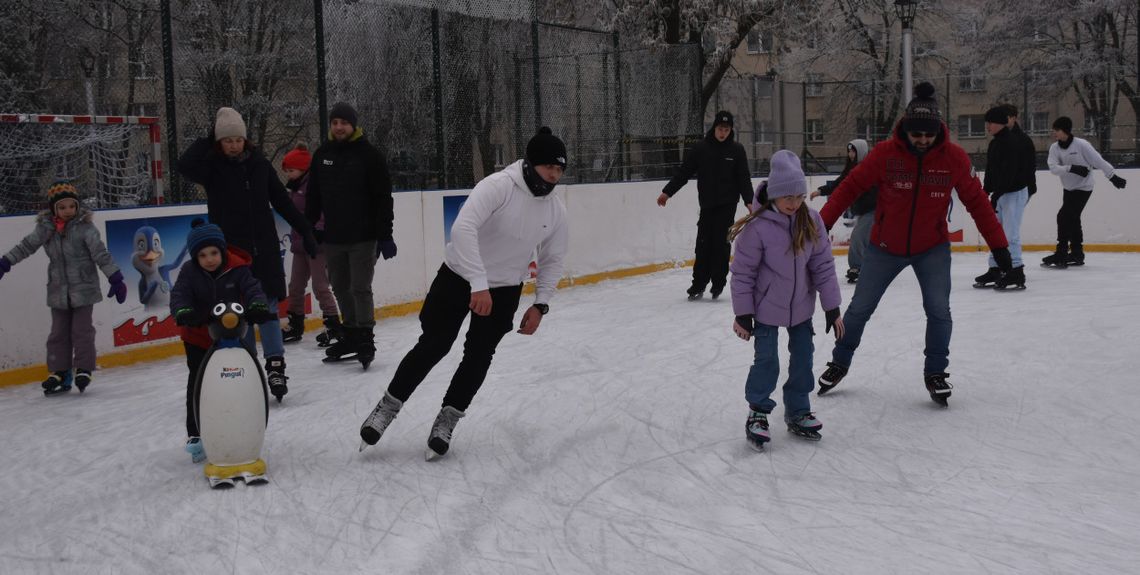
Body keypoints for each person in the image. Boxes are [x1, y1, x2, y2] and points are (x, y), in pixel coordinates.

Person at [358, 127, 569, 461]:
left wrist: (541, 304)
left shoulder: (555, 210)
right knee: (435, 344)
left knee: (479, 355)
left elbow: (553, 258)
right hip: (458, 276)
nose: (554, 175)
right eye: (549, 167)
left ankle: (448, 418)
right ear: (531, 163)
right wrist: (478, 283)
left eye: (559, 169)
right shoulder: (498, 186)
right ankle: (388, 405)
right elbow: (463, 228)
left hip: (505, 288)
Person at [813, 82, 1012, 407]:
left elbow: (978, 203)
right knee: (860, 308)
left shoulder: (954, 158)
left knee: (939, 310)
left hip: (931, 248)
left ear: (937, 130)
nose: (922, 140)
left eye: (928, 135)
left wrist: (999, 247)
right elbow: (850, 187)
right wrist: (822, 225)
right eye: (916, 134)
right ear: (905, 128)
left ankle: (936, 372)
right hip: (884, 247)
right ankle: (839, 362)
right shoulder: (885, 154)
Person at [176, 107, 317, 402]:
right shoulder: (212, 167)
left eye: (238, 140)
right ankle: (249, 367)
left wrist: (305, 229)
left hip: (264, 250)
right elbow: (184, 166)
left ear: (245, 139)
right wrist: (208, 139)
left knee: (268, 309)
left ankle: (275, 366)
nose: (234, 145)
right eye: (227, 140)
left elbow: (282, 201)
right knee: (238, 313)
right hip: (232, 254)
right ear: (219, 141)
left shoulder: (259, 164)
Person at [728, 150, 844, 450]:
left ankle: (798, 410)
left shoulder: (811, 220)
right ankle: (758, 411)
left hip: (801, 307)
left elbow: (823, 266)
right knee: (767, 361)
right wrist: (743, 313)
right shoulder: (757, 227)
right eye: (787, 197)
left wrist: (831, 306)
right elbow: (743, 273)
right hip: (766, 308)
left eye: (799, 196)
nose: (794, 203)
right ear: (774, 195)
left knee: (803, 359)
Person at [0, 181, 128, 395]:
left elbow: (100, 253)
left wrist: (115, 277)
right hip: (58, 290)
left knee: (82, 331)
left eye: (71, 206)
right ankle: (60, 372)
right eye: (62, 207)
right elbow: (26, 246)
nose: (68, 211)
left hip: (84, 289)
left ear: (77, 206)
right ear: (53, 209)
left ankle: (83, 369)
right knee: (58, 333)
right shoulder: (46, 229)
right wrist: (6, 262)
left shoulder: (85, 228)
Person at [169, 220, 272, 462]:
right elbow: (179, 294)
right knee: (198, 384)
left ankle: (242, 426)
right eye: (202, 255)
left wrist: (258, 304)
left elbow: (253, 289)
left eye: (214, 253)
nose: (209, 259)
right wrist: (183, 311)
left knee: (241, 381)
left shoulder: (238, 268)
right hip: (197, 339)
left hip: (233, 338)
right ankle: (196, 434)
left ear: (222, 250)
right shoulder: (189, 271)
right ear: (195, 257)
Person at [305, 102, 396, 367]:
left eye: (344, 123)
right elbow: (313, 196)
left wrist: (385, 235)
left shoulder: (369, 155)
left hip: (364, 236)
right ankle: (352, 333)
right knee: (340, 286)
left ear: (353, 125)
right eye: (335, 122)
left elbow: (383, 198)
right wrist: (310, 229)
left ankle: (365, 336)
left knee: (360, 287)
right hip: (334, 237)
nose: (339, 127)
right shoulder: (322, 155)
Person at [657, 110, 754, 301]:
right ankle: (698, 283)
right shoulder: (701, 148)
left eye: (726, 129)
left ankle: (718, 283)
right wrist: (667, 192)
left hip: (727, 205)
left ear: (730, 130)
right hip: (707, 205)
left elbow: (743, 178)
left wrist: (749, 201)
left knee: (721, 244)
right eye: (720, 129)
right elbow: (684, 172)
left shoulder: (736, 150)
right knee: (703, 244)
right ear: (714, 128)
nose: (723, 133)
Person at [278, 143, 342, 346]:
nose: (288, 174)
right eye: (287, 171)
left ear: (303, 168)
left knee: (320, 286)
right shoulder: (295, 186)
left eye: (291, 170)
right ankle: (295, 323)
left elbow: (324, 211)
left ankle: (333, 324)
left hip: (316, 244)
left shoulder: (315, 184)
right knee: (295, 285)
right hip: (300, 243)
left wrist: (318, 231)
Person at [1044, 116, 1127, 267]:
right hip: (1068, 188)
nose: (1054, 132)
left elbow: (1098, 161)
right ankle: (1077, 254)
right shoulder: (1054, 148)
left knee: (1063, 216)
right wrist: (1072, 168)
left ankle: (1061, 252)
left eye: (1057, 130)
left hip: (1083, 188)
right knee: (1073, 219)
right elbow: (1053, 168)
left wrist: (1112, 176)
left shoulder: (1081, 145)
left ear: (1065, 130)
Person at [973, 105, 1035, 290]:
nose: (987, 126)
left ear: (1000, 123)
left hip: (1014, 193)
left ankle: (1016, 270)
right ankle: (996, 268)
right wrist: (986, 190)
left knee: (1010, 234)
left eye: (990, 123)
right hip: (1002, 194)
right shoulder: (995, 143)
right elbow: (992, 170)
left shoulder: (1012, 142)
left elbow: (1011, 172)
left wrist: (997, 194)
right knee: (996, 233)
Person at [810, 139, 876, 283]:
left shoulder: (871, 168)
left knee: (858, 236)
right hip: (863, 211)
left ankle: (857, 267)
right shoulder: (851, 170)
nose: (850, 155)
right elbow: (839, 184)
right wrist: (821, 191)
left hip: (875, 210)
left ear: (861, 152)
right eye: (849, 152)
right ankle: (871, 266)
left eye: (853, 152)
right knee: (866, 239)